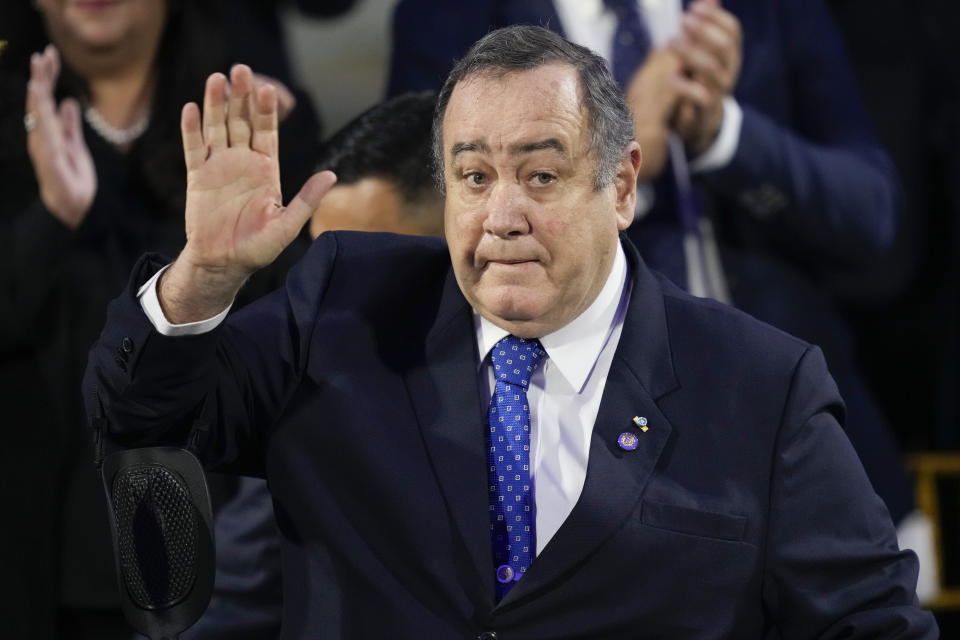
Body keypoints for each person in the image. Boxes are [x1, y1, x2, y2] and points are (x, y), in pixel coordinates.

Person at [84, 26, 936, 637]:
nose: (502, 216)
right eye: (474, 174)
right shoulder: (344, 311)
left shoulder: (762, 387)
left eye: (540, 173)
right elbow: (141, 414)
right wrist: (204, 276)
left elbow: (874, 624)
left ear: (622, 186)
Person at [387, 0, 927, 580]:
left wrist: (726, 135)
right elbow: (430, 216)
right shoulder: (448, 13)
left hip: (797, 443)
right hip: (577, 459)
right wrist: (620, 162)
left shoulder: (764, 12)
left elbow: (874, 216)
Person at [0, 2, 320, 637]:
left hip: (217, 552)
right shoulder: (11, 123)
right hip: (33, 550)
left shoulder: (255, 121)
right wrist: (53, 218)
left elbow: (297, 339)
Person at [176, 90, 441, 640]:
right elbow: (221, 608)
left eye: (375, 268)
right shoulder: (322, 408)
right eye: (330, 268)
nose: (346, 305)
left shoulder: (614, 382)